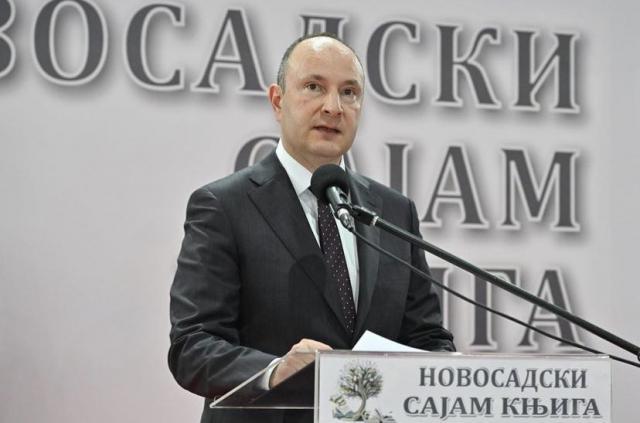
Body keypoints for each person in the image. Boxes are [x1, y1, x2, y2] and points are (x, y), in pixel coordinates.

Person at [168, 32, 455, 423]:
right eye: (314, 87)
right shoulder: (224, 206)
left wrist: (445, 373)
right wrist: (275, 371)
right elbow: (192, 346)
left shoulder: (393, 212)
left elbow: (428, 338)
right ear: (277, 100)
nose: (333, 107)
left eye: (349, 92)